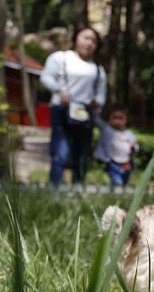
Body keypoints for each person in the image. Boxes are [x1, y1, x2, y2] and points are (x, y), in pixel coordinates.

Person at [40, 27, 107, 186]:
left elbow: (101, 93)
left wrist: (97, 102)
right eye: (86, 38)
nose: (89, 43)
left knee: (82, 153)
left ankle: (78, 187)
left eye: (93, 40)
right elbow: (46, 77)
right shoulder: (61, 58)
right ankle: (55, 186)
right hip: (61, 110)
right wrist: (59, 91)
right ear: (76, 38)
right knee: (60, 151)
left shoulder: (97, 69)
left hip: (85, 114)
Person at [94, 104, 139, 187]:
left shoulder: (129, 134)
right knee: (116, 180)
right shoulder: (106, 129)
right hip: (113, 161)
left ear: (126, 120)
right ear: (109, 118)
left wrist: (133, 148)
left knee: (125, 179)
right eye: (115, 118)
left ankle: (120, 192)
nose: (117, 121)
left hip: (126, 162)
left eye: (121, 118)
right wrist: (96, 109)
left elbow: (135, 146)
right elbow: (97, 120)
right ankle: (116, 191)